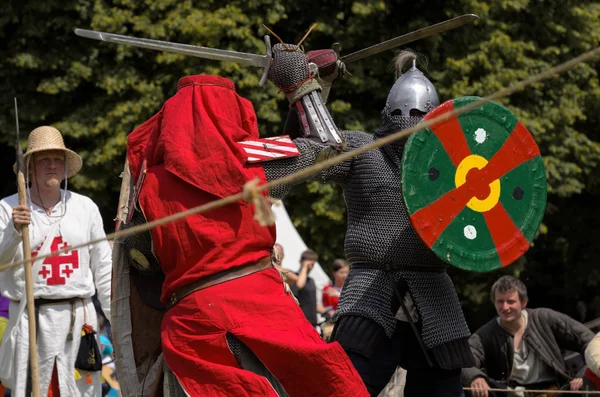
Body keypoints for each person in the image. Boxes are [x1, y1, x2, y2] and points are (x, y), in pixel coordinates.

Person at [120, 74, 369, 396]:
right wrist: (301, 84)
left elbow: (141, 262)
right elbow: (328, 147)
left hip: (195, 323)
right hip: (266, 310)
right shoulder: (258, 158)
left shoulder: (148, 184)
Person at [263, 46, 474, 397]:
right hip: (371, 292)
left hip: (435, 298)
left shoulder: (455, 167)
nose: (411, 124)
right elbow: (299, 156)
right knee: (345, 390)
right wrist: (301, 91)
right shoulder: (361, 150)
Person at [0, 126, 112, 396]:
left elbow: (104, 270)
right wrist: (14, 232)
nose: (52, 165)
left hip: (79, 320)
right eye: (44, 159)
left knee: (82, 391)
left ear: (65, 167)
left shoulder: (85, 208)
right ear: (30, 166)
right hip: (31, 321)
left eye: (57, 160)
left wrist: (116, 323)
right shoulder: (8, 208)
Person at [461, 275, 595, 397]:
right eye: (500, 302)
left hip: (557, 391)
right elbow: (465, 359)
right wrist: (475, 377)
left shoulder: (544, 318)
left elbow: (591, 341)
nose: (505, 307)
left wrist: (584, 374)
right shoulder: (486, 334)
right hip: (510, 393)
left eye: (511, 301)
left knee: (590, 385)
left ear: (523, 302)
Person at [290, 249, 324, 327]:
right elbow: (299, 284)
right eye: (308, 264)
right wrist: (304, 267)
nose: (310, 267)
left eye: (312, 264)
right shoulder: (293, 277)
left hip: (312, 322)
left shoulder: (311, 280)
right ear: (300, 261)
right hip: (299, 321)